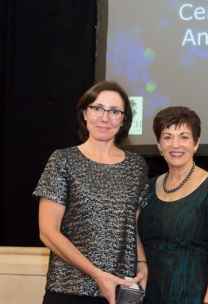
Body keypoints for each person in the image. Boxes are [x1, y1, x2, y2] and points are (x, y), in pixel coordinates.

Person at [33, 81, 148, 304]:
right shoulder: (63, 160)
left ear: (124, 119)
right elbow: (48, 232)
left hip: (120, 292)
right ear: (85, 113)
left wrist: (142, 266)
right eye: (97, 108)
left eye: (114, 111)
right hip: (69, 290)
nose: (105, 118)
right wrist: (98, 275)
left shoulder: (137, 167)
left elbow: (131, 228)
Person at [138, 106, 208, 304]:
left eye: (184, 136)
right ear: (158, 145)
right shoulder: (148, 186)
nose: (176, 144)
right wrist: (141, 262)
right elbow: (135, 231)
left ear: (196, 143)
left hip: (196, 296)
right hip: (153, 295)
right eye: (167, 137)